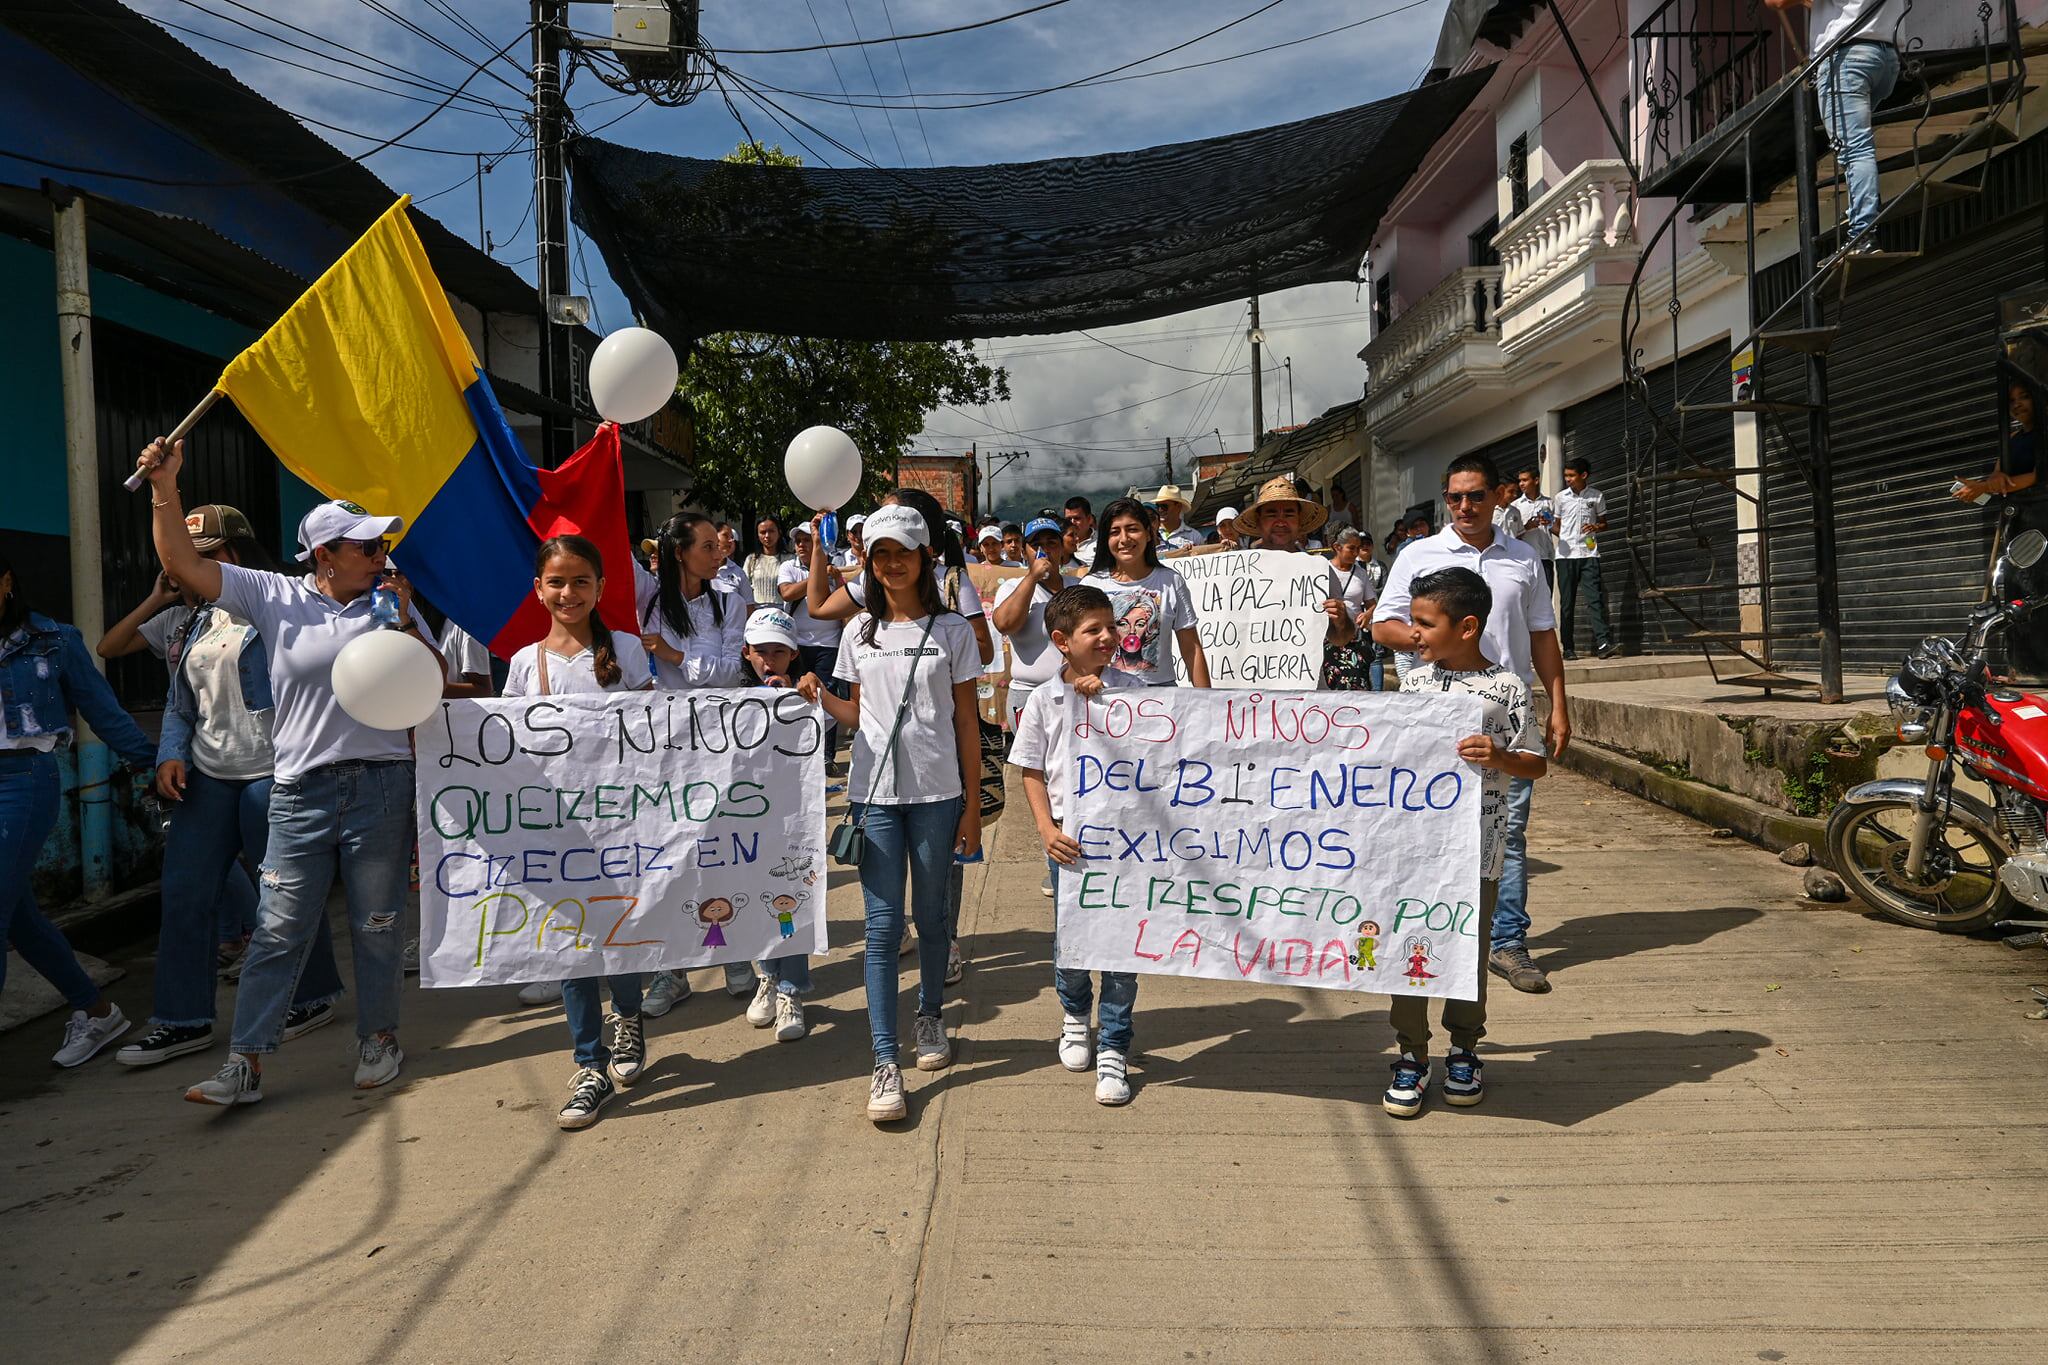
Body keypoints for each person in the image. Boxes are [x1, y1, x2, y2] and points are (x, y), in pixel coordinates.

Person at [139, 439, 442, 1105]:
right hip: (300, 788)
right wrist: (166, 487)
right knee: (278, 926)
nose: (380, 554)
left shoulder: (391, 601)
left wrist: (406, 623)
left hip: (382, 784)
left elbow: (431, 682)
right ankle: (245, 1060)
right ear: (325, 554)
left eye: (382, 543)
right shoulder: (272, 596)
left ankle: (380, 1037)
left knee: (378, 921)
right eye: (366, 546)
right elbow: (181, 562)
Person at [116, 507, 348, 1068]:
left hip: (276, 772)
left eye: (208, 556)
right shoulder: (193, 621)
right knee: (186, 894)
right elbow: (181, 701)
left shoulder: (283, 605)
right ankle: (181, 1019)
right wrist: (170, 753)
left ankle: (311, 996)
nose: (193, 569)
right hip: (207, 776)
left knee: (284, 896)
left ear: (237, 556)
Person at [797, 504, 982, 1124]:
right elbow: (856, 717)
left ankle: (929, 1016)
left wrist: (972, 806)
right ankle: (885, 1060)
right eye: (880, 554)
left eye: (902, 551)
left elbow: (965, 721)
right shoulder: (858, 632)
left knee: (932, 918)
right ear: (870, 564)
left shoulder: (953, 630)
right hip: (874, 796)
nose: (892, 563)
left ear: (924, 556)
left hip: (937, 796)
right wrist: (818, 695)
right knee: (881, 930)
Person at [1373, 453, 1571, 997]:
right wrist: (1426, 639)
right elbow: (1383, 625)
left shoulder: (1525, 557)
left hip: (1501, 709)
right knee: (1427, 829)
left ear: (1497, 497)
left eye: (1476, 496)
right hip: (1430, 711)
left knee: (1506, 831)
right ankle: (1437, 932)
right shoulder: (1419, 554)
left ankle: (1505, 943)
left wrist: (1557, 701)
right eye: (1455, 497)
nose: (1465, 507)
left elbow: (1542, 635)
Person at [500, 534, 656, 1130]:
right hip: (555, 836)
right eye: (557, 582)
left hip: (620, 827)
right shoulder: (523, 664)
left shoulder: (625, 652)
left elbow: (659, 731)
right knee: (571, 945)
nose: (569, 593)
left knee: (617, 932)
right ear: (538, 590)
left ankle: (629, 1020)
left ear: (601, 588)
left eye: (581, 581)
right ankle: (588, 1062)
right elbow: (507, 748)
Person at [1382, 566, 1546, 1117]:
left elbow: (1535, 764)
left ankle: (1464, 1049)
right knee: (1410, 948)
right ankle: (1409, 1053)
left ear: (1468, 626)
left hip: (1479, 850)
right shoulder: (1413, 684)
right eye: (1412, 623)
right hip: (1414, 851)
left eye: (1424, 624)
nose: (1414, 635)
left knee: (1466, 953)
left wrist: (1498, 757)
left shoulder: (1506, 689)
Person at [0, 551, 155, 1067]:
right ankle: (98, 1010)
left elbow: (100, 708)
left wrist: (151, 763)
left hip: (23, 780)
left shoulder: (54, 640)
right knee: (19, 918)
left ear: (6, 583)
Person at [1011, 584, 1145, 1105]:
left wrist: (1109, 698)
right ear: (1062, 641)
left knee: (1123, 945)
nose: (1109, 636)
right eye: (1095, 630)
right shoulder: (1045, 700)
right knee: (1072, 940)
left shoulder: (1134, 694)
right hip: (1069, 841)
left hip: (1131, 844)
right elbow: (1029, 770)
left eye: (1112, 626)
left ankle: (1114, 1044)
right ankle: (1074, 1015)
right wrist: (1047, 830)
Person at [639, 509, 750, 1014]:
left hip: (718, 745)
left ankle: (733, 949)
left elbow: (731, 673)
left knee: (722, 847)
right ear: (679, 552)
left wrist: (677, 657)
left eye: (718, 545)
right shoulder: (648, 606)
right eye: (706, 545)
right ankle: (673, 967)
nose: (718, 552)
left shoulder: (730, 604)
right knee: (672, 855)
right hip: (663, 749)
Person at [736, 607, 815, 1044]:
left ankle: (791, 990)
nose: (769, 661)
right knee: (754, 899)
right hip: (746, 821)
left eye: (779, 653)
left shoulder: (804, 694)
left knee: (793, 901)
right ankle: (766, 975)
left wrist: (797, 700)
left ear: (793, 654)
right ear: (746, 652)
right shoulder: (728, 697)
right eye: (761, 652)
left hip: (792, 818)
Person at [1767, 0, 1904, 249]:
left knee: (1855, 151)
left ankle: (1863, 234)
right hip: (1888, 55)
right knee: (1857, 147)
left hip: (1847, 57)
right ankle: (1862, 212)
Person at [991, 517, 1069, 900]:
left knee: (1066, 773)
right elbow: (1005, 622)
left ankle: (1063, 845)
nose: (1045, 550)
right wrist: (1032, 579)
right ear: (1023, 550)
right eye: (1035, 543)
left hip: (1073, 694)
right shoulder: (1014, 585)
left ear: (1062, 547)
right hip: (1029, 696)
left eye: (1051, 542)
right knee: (1037, 775)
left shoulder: (1076, 588)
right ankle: (1049, 850)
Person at [1083, 498, 1209, 687]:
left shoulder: (1171, 581)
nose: (1124, 539)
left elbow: (1191, 649)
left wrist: (1207, 702)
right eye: (1115, 532)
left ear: (1149, 534)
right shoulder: (1091, 585)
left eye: (1132, 529)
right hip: (1106, 700)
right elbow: (1077, 649)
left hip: (1162, 699)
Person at [1233, 476, 1359, 652]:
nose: (1281, 522)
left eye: (1289, 514)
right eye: (1271, 514)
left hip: (1304, 675)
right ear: (1259, 521)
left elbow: (1341, 639)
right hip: (1248, 674)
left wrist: (1341, 619)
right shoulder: (1236, 572)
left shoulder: (1319, 572)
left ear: (1300, 522)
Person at [779, 521, 846, 762]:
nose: (801, 545)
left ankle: (826, 756)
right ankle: (801, 750)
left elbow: (846, 599)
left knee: (825, 697)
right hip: (797, 644)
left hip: (828, 644)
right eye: (797, 541)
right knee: (800, 695)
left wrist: (836, 578)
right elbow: (787, 593)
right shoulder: (788, 567)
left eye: (806, 540)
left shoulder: (836, 566)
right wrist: (818, 574)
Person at [1553, 456, 1616, 660]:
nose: (1568, 479)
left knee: (1595, 600)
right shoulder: (1560, 498)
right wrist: (1556, 532)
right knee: (1567, 604)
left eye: (1571, 475)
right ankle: (1568, 647)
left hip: (1589, 554)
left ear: (1583, 475)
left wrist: (1596, 526)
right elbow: (1556, 525)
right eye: (1566, 476)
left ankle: (1604, 643)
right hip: (1565, 556)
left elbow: (1604, 523)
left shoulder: (1596, 496)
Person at [1321, 528, 1381, 691]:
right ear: (1337, 547)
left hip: (1354, 639)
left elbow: (1372, 604)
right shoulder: (1322, 571)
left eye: (1358, 547)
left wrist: (1368, 614)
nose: (1356, 552)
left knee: (1356, 684)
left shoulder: (1360, 574)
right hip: (1328, 639)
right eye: (1351, 548)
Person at [1512, 467, 1557, 590]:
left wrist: (1550, 523)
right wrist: (1527, 527)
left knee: (1546, 598)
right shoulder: (1515, 506)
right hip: (1523, 559)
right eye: (1520, 480)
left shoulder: (1549, 503)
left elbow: (1559, 531)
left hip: (1545, 558)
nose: (1521, 484)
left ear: (1536, 480)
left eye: (1525, 480)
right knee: (1525, 600)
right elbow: (1511, 536)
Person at [744, 515, 791, 609]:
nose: (767, 536)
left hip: (783, 613)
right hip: (757, 614)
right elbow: (744, 590)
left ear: (779, 532)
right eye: (762, 532)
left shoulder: (790, 559)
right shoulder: (751, 560)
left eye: (771, 531)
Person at [1153, 485, 1203, 552]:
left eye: (1164, 506)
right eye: (1157, 506)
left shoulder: (1194, 537)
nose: (1160, 510)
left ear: (1178, 507)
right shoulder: (1149, 535)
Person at [713, 522, 747, 595]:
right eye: (725, 535)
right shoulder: (700, 569)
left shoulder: (739, 572)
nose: (731, 540)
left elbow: (748, 604)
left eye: (731, 537)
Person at [1063, 496, 1098, 564]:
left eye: (1077, 518)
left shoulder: (1103, 543)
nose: (1072, 522)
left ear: (1089, 519)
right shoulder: (1058, 544)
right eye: (1068, 519)